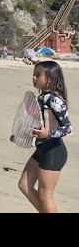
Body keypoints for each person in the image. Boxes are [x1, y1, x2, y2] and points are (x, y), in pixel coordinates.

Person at [18, 60, 73, 213]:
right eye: (33, 75)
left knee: (45, 194)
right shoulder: (41, 99)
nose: (34, 78)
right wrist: (19, 135)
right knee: (24, 185)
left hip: (54, 151)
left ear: (50, 78)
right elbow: (38, 124)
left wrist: (48, 134)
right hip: (42, 149)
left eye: (38, 75)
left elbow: (68, 128)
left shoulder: (55, 100)